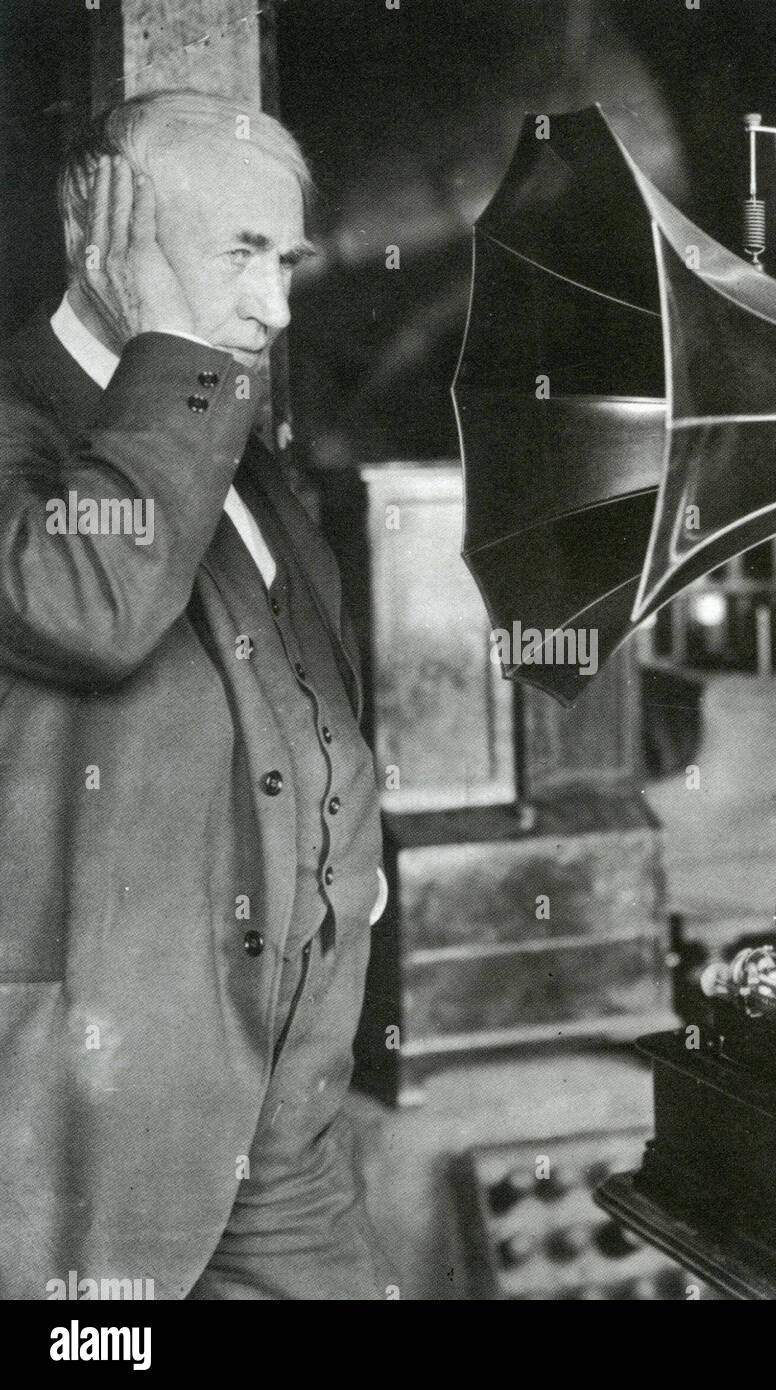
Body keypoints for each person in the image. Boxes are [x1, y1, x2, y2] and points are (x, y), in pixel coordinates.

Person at [0, 89, 391, 1299]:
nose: (276, 305)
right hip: (93, 1145)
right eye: (239, 255)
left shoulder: (228, 434)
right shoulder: (21, 420)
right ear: (101, 239)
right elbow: (92, 607)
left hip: (281, 1128)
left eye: (288, 259)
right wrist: (168, 353)